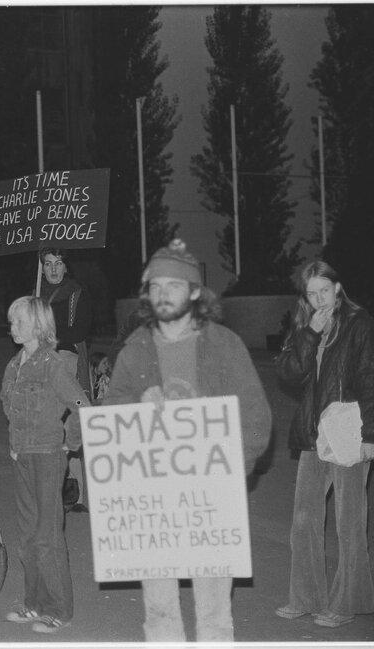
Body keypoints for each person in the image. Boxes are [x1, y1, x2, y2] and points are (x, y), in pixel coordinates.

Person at [102, 239, 272, 642]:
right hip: (152, 502)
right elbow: (107, 419)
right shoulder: (134, 351)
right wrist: (136, 406)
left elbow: (257, 418)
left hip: (210, 502)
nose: (163, 294)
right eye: (155, 286)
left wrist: (230, 469)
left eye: (173, 286)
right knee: (159, 614)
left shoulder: (224, 346)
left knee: (214, 616)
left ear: (195, 292)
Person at [274, 261, 374, 628]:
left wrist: (372, 435)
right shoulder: (305, 324)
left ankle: (347, 602)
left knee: (348, 522)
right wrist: (310, 333)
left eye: (325, 289)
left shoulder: (361, 323)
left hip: (348, 432)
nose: (319, 298)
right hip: (314, 433)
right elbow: (289, 374)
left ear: (338, 288)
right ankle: (306, 598)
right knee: (304, 519)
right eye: (311, 292)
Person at [0, 296, 88, 634]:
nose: (13, 328)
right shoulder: (13, 365)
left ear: (38, 325)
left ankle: (59, 609)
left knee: (48, 535)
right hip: (22, 456)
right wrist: (14, 444)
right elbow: (9, 407)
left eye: (19, 322)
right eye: (11, 322)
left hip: (49, 457)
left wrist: (71, 443)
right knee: (26, 536)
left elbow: (82, 404)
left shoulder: (52, 364)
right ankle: (33, 602)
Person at [39, 248, 93, 513]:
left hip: (65, 360)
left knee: (70, 420)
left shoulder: (76, 293)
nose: (53, 269)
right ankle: (61, 490)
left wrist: (50, 337)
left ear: (66, 266)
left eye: (58, 263)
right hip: (40, 363)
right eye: (47, 264)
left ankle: (77, 490)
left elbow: (80, 330)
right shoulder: (36, 298)